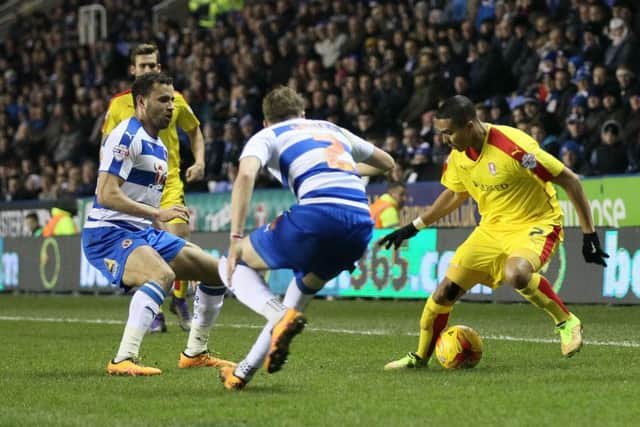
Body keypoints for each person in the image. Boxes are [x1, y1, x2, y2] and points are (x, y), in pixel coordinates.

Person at [380, 95, 608, 370]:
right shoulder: (457, 158)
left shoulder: (515, 148)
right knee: (443, 294)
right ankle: (419, 358)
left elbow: (569, 180)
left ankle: (566, 321)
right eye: (442, 133)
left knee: (517, 274)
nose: (445, 140)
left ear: (470, 125)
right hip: (490, 229)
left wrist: (589, 234)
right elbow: (454, 194)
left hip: (535, 223)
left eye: (449, 132)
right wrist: (414, 226)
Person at [217, 86, 395, 390]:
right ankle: (242, 372)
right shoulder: (330, 128)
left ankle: (279, 315)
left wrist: (235, 236)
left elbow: (245, 175)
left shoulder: (267, 136)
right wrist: (347, 167)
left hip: (318, 215)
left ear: (265, 121)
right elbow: (387, 162)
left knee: (231, 263)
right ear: (303, 114)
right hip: (360, 226)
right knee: (300, 292)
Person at [83, 72, 233, 376]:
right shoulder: (127, 137)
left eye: (173, 100)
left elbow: (148, 207)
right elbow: (106, 194)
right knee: (162, 275)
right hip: (108, 233)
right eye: (163, 100)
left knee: (216, 272)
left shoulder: (160, 147)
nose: (171, 107)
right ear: (141, 102)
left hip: (144, 233)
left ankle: (195, 353)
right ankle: (123, 359)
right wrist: (155, 215)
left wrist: (167, 236)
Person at [102, 43, 205, 332]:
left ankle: (180, 299)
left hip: (168, 181)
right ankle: (155, 309)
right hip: (133, 188)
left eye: (153, 65)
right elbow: (106, 145)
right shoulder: (118, 105)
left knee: (179, 235)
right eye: (143, 66)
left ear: (159, 68)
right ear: (132, 69)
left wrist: (199, 161)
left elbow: (194, 129)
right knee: (142, 246)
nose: (148, 69)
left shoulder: (174, 99)